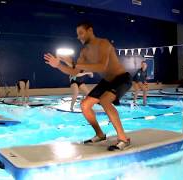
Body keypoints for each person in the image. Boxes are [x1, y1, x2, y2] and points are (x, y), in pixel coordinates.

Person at [44, 21, 132, 151]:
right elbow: (74, 72)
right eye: (77, 34)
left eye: (81, 33)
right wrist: (58, 65)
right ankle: (100, 134)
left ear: (90, 30)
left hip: (121, 78)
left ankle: (123, 139)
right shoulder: (84, 52)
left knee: (105, 101)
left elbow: (101, 66)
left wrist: (74, 64)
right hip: (106, 82)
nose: (79, 37)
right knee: (85, 105)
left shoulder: (104, 43)